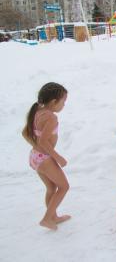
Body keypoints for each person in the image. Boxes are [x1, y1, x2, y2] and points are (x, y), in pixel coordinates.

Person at [22, 82, 70, 230]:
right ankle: (46, 219)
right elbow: (43, 140)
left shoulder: (37, 111)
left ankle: (53, 216)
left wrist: (36, 149)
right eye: (63, 101)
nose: (64, 105)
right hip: (44, 159)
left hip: (36, 157)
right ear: (53, 101)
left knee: (51, 188)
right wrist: (58, 157)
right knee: (64, 187)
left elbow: (25, 133)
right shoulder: (51, 117)